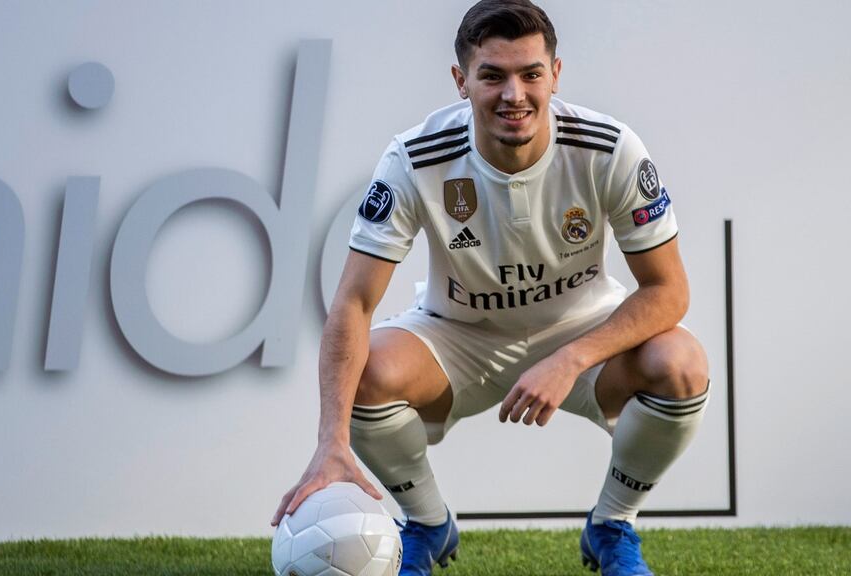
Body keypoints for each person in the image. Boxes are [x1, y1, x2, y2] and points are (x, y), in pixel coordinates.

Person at [272, 1, 709, 574]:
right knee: (367, 371)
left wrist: (570, 358)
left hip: (582, 331)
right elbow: (353, 303)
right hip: (459, 335)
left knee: (681, 364)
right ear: (461, 81)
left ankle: (612, 525)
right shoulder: (415, 157)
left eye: (531, 74)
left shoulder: (610, 148)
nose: (514, 94)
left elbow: (669, 291)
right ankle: (427, 524)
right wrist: (331, 440)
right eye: (493, 75)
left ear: (555, 74)